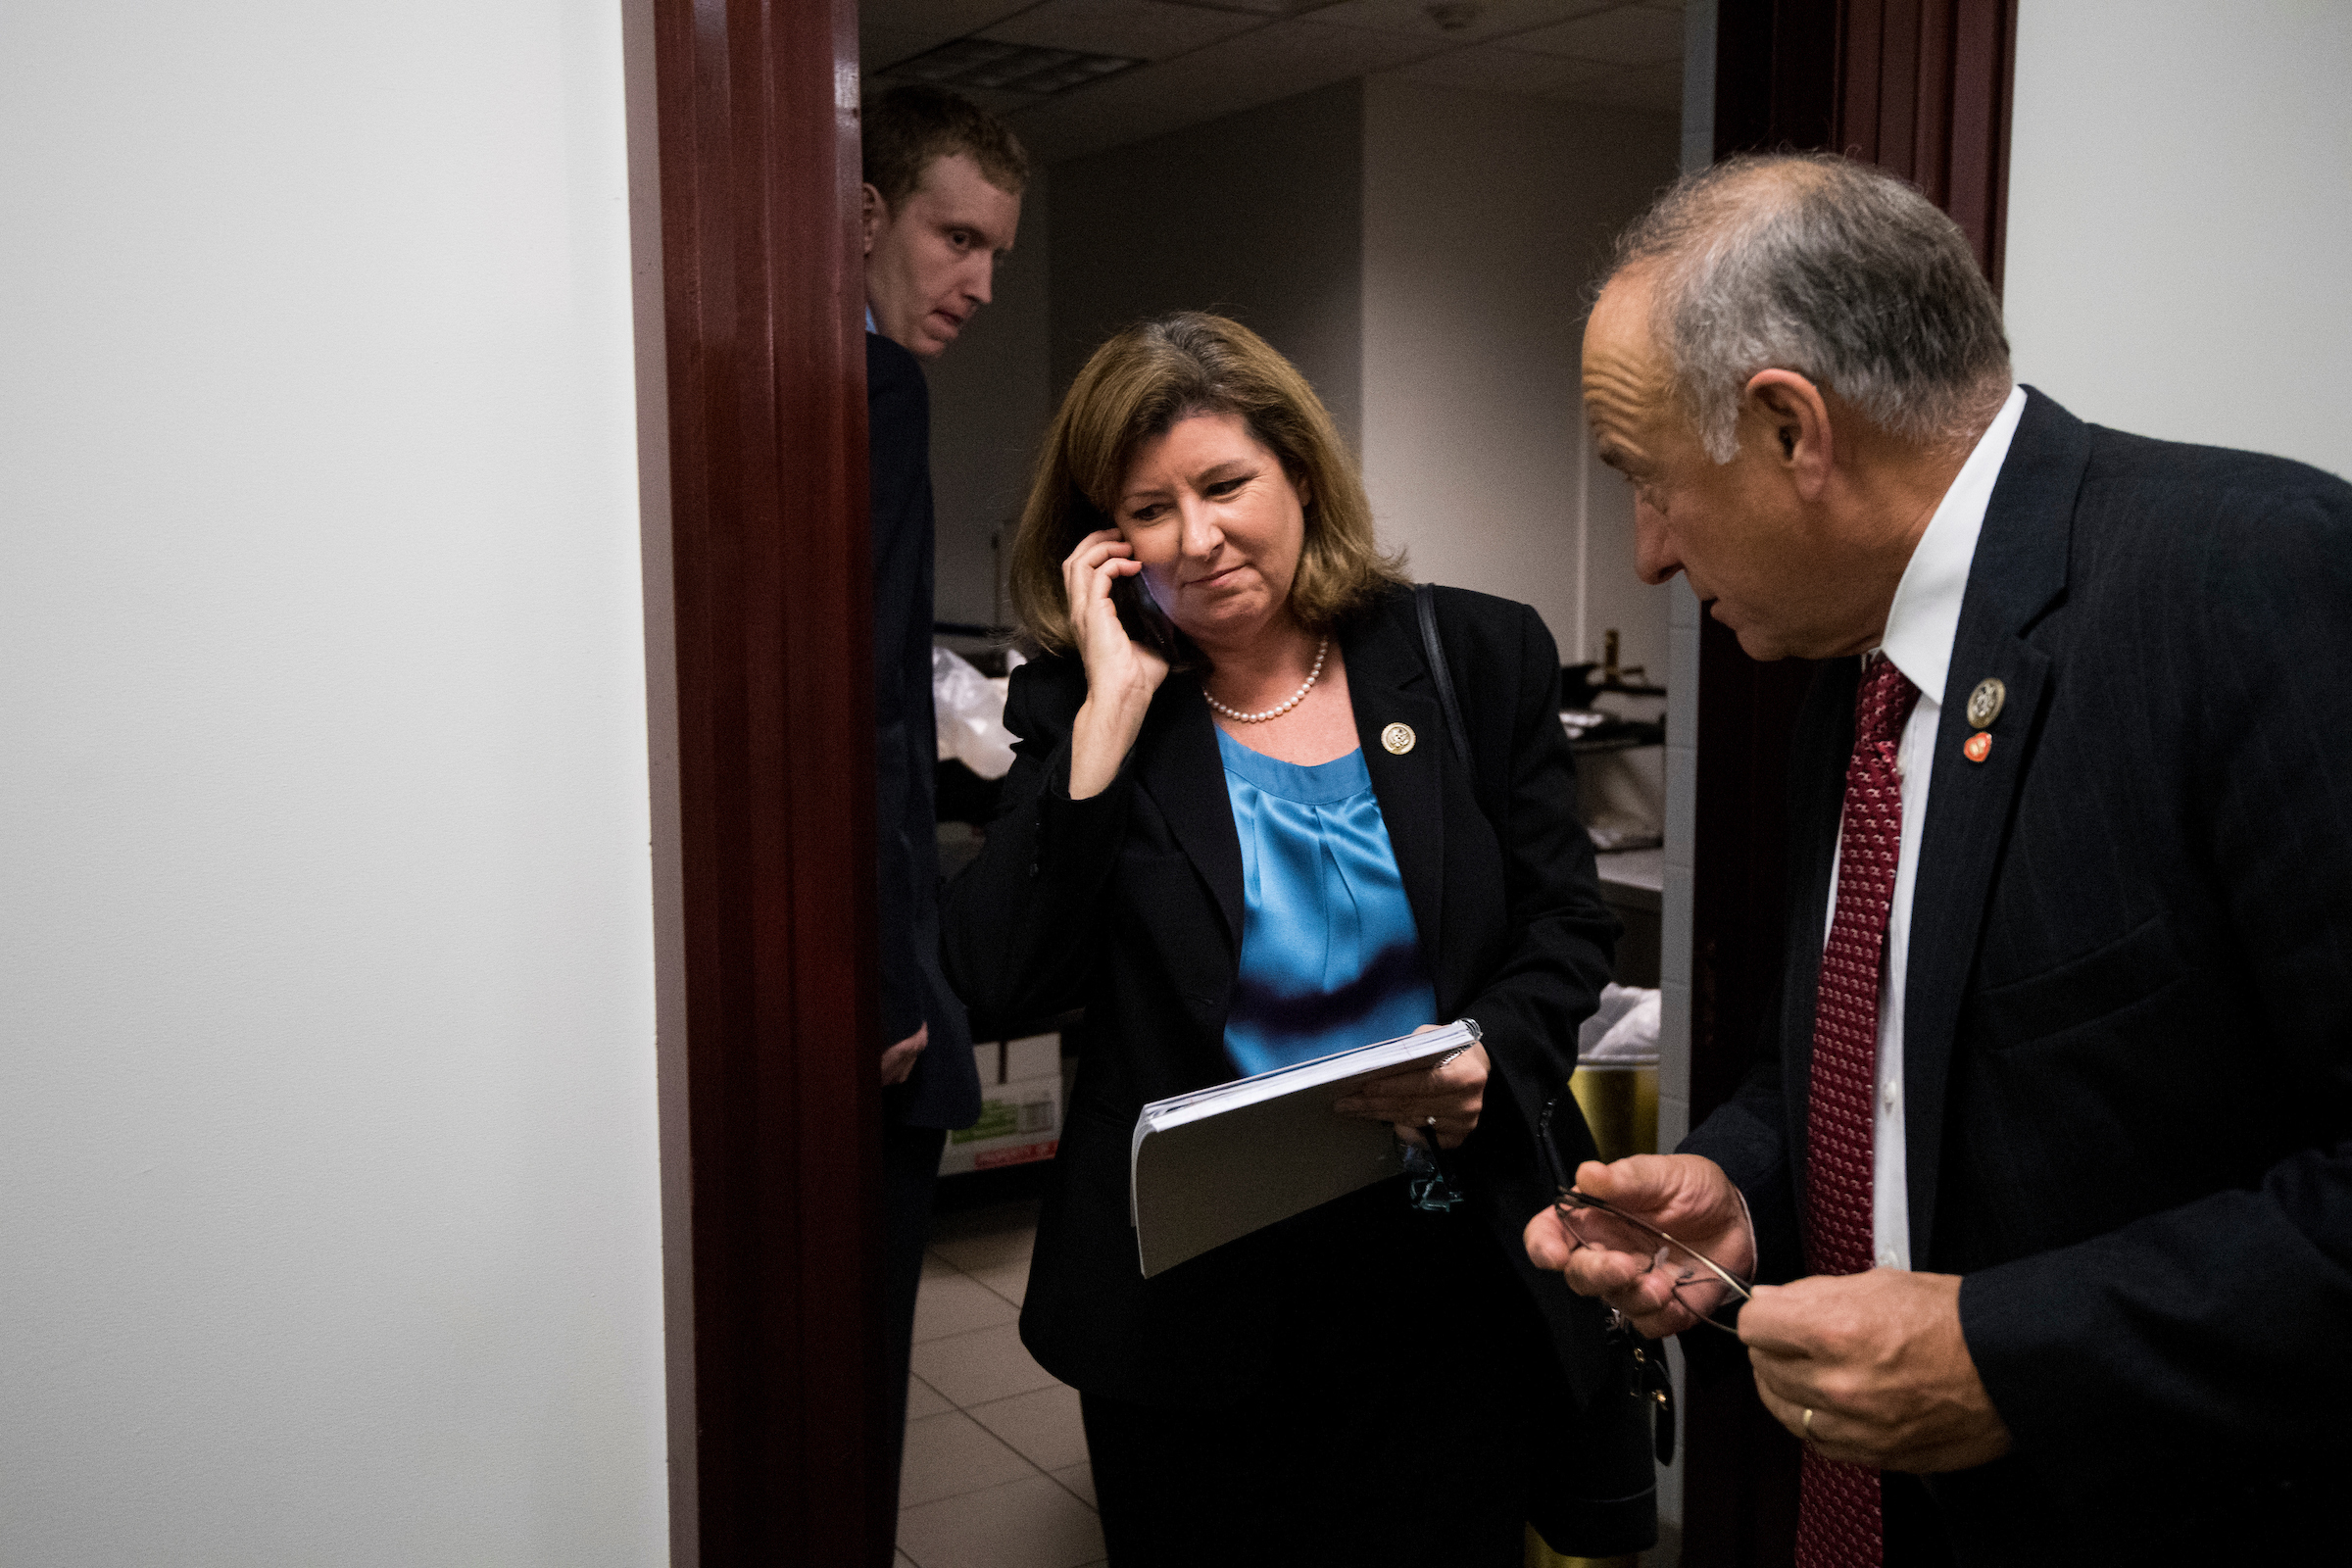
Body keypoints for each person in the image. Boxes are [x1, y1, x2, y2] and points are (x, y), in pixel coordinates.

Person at [1525, 152, 2352, 1565]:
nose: (1648, 552)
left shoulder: (2251, 582)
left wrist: (2012, 1354)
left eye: (1652, 483)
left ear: (1793, 430)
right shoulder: (1856, 677)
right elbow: (1872, 1063)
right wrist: (1741, 1187)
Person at [942, 313, 1655, 1566]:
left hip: (1443, 1274)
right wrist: (1109, 716)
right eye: (1150, 509)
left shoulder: (1473, 652)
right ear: (1104, 542)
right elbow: (1001, 974)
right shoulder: (1083, 702)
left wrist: (1491, 1047)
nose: (1199, 537)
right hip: (1194, 1306)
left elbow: (1564, 923)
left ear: (1302, 477)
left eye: (1226, 485)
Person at [858, 83, 1027, 1500]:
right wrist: (889, 981)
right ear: (865, 215)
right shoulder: (873, 392)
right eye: (951, 236)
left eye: (995, 257)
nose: (974, 283)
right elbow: (861, 717)